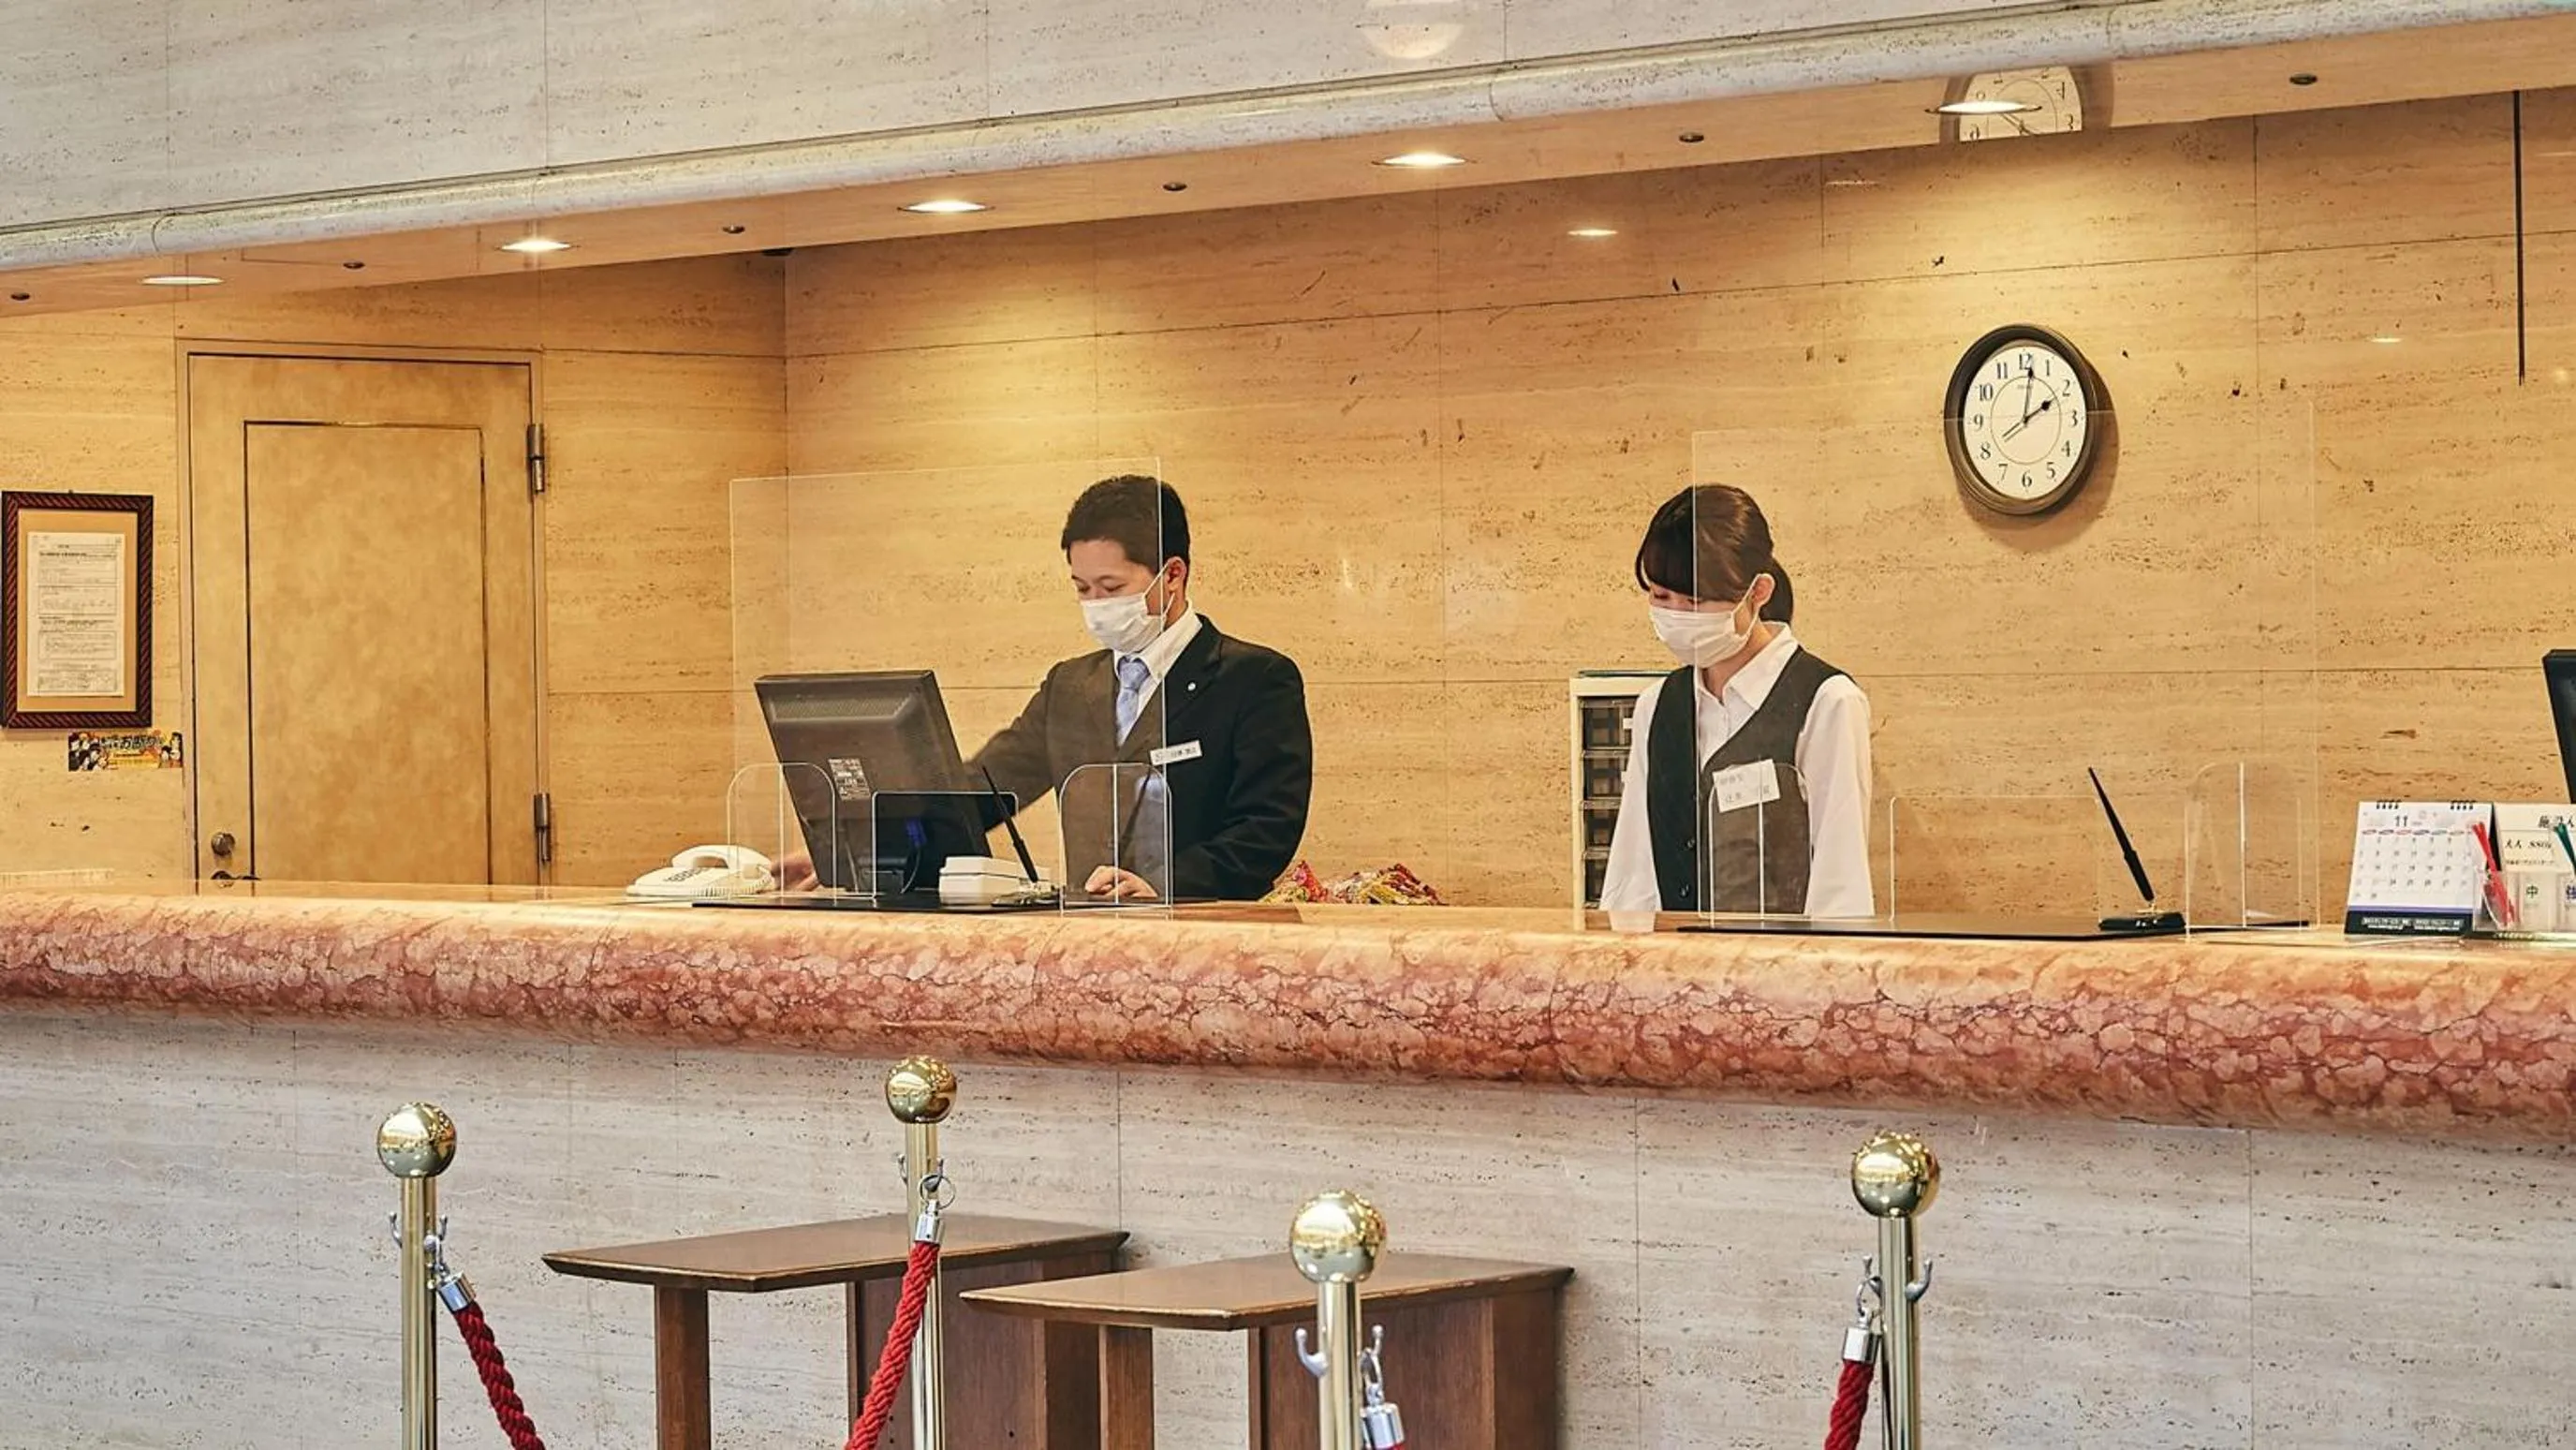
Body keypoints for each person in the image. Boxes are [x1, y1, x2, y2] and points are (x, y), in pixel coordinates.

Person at [969, 475, 1313, 901]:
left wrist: (1166, 883)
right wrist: (896, 817)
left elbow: (1267, 828)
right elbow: (989, 786)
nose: (1096, 604)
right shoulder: (1070, 686)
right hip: (1089, 935)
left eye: (1112, 588)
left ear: (1172, 575)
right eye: (1082, 588)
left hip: (1208, 934)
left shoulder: (1255, 679)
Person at [1598, 485, 1874, 918]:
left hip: (1782, 970)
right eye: (1661, 597)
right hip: (1677, 970)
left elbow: (1841, 882)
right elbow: (1634, 871)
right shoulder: (1658, 707)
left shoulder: (1826, 702)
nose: (1678, 617)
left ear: (1758, 592)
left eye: (1696, 601)